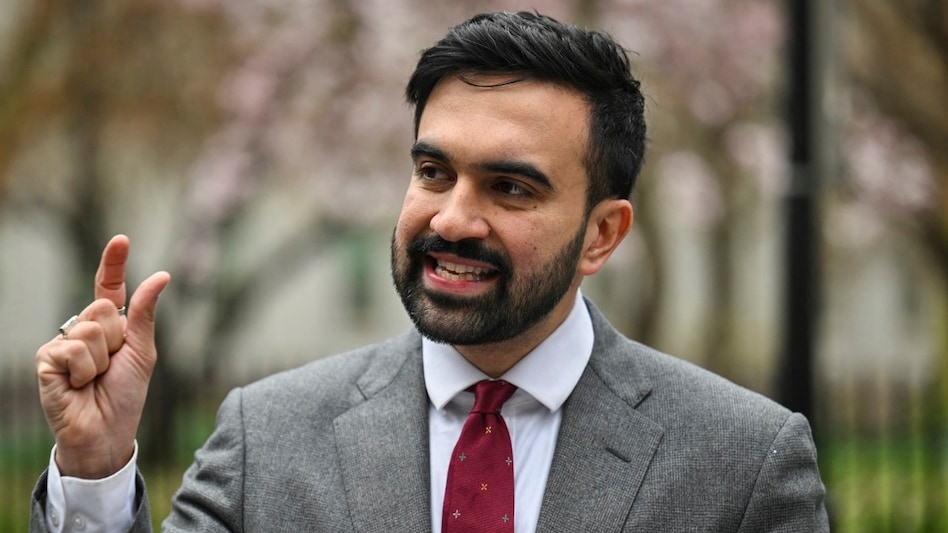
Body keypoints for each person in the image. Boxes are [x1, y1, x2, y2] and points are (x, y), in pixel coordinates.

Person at [31, 11, 828, 533]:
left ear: (602, 234)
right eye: (434, 172)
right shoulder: (266, 437)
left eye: (510, 187)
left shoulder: (743, 465)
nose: (451, 219)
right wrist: (95, 470)